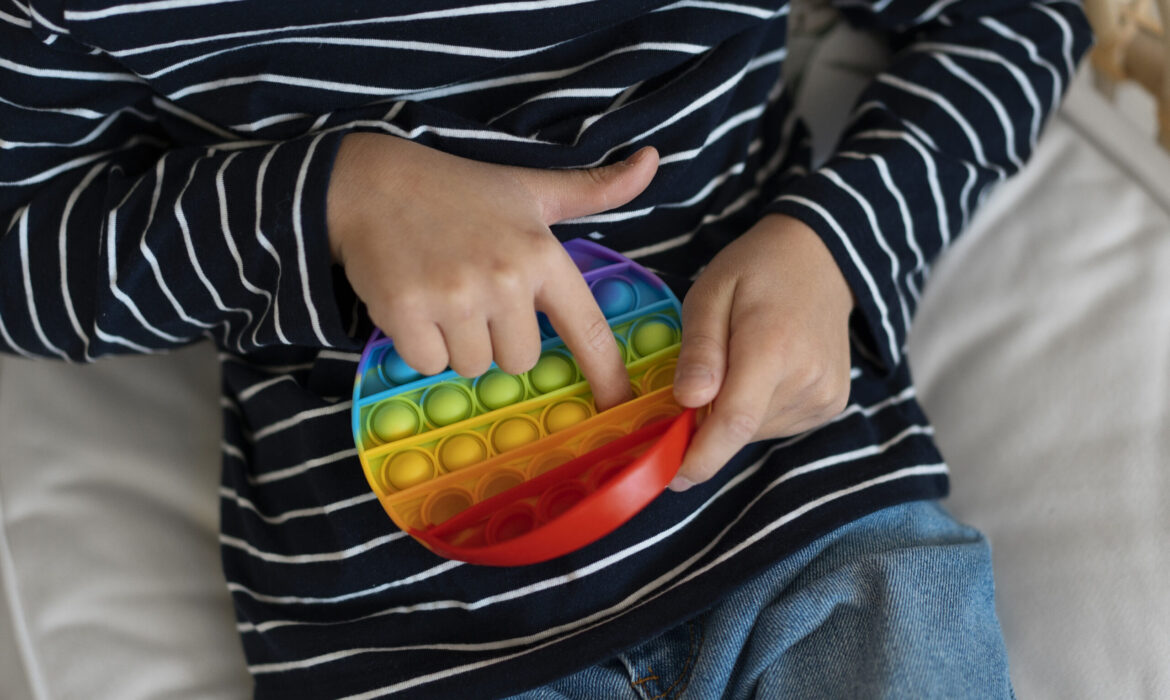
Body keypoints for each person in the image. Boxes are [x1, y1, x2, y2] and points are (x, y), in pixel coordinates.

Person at [0, 0, 1091, 698]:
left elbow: (1019, 20)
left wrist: (837, 246)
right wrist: (333, 197)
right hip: (415, 638)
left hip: (807, 526)